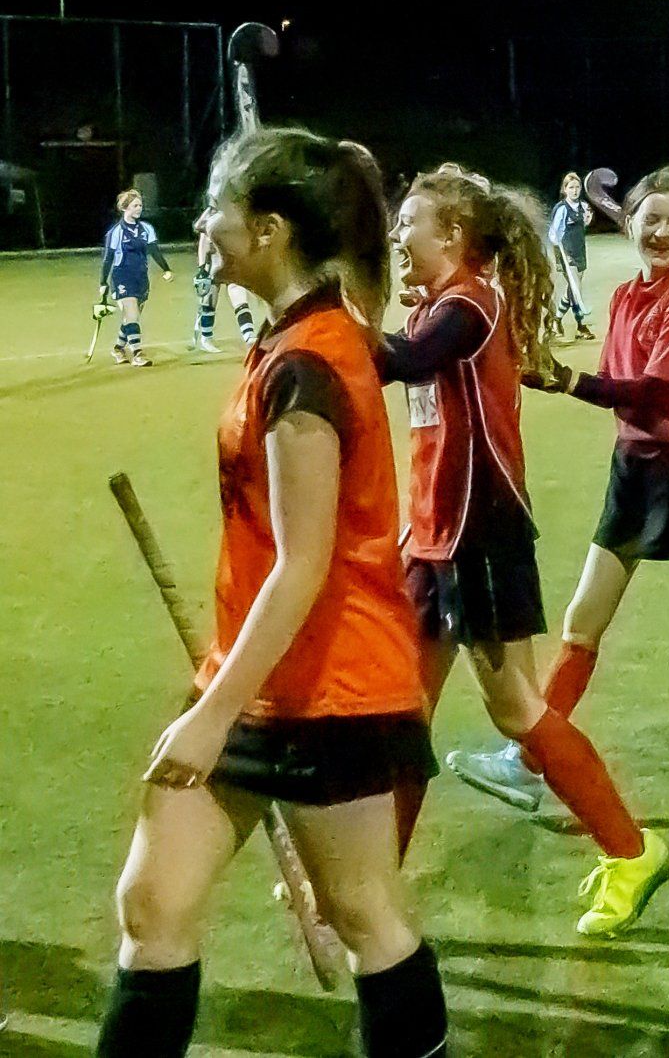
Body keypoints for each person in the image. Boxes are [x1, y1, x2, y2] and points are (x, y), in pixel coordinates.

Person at [97, 128, 447, 1058]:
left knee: (365, 915)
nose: (202, 226)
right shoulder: (292, 341)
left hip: (334, 686)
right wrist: (223, 700)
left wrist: (210, 716)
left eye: (217, 208)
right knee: (152, 906)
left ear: (269, 230)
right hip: (257, 678)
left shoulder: (310, 363)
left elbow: (304, 563)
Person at [377, 163, 669, 937]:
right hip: (432, 539)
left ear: (452, 234)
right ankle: (369, 880)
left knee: (514, 708)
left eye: (408, 223)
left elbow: (397, 361)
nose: (397, 235)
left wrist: (314, 313)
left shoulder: (470, 304)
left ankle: (632, 851)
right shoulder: (436, 305)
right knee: (403, 715)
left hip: (479, 534)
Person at [445, 165, 669, 806]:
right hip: (633, 470)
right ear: (629, 223)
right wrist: (559, 377)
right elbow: (617, 386)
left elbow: (654, 393)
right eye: (651, 219)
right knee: (583, 620)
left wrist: (567, 381)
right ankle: (529, 761)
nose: (663, 232)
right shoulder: (627, 295)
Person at [99, 188, 173, 366]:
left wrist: (166, 269)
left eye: (140, 205)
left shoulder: (147, 229)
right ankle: (138, 354)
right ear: (125, 208)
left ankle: (118, 348)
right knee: (131, 314)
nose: (139, 208)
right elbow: (108, 258)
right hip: (122, 277)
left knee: (131, 318)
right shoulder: (116, 232)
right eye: (135, 206)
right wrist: (103, 282)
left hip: (141, 278)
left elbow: (154, 251)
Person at [190, 229, 258, 353]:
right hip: (213, 266)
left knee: (240, 299)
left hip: (231, 266)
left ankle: (249, 335)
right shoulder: (210, 221)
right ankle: (206, 338)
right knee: (209, 303)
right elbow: (204, 242)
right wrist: (202, 268)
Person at [549, 171, 595, 341]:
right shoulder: (561, 208)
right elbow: (553, 234)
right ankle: (581, 326)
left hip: (579, 251)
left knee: (572, 290)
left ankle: (556, 320)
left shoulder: (583, 206)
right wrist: (561, 249)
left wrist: (587, 221)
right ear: (565, 189)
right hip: (566, 253)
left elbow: (582, 227)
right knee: (576, 290)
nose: (575, 191)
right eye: (571, 187)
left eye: (577, 187)